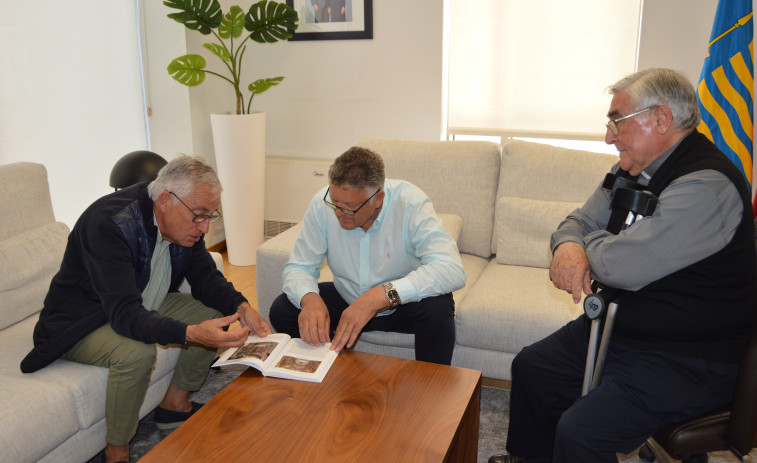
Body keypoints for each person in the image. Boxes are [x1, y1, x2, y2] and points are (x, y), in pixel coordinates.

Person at [489, 68, 757, 463]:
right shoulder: (629, 169)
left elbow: (621, 266)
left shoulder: (707, 186)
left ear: (661, 119)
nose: (608, 137)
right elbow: (577, 221)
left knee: (581, 432)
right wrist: (568, 244)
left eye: (617, 121)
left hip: (686, 356)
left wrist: (587, 246)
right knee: (533, 367)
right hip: (624, 330)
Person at [20, 155, 271, 463]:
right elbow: (124, 315)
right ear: (165, 200)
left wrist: (241, 305)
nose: (205, 226)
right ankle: (117, 452)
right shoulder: (109, 224)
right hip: (86, 319)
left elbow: (205, 276)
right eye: (199, 215)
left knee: (218, 316)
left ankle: (174, 406)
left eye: (210, 216)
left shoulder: (182, 221)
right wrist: (190, 333)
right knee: (137, 353)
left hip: (138, 299)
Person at [268, 146, 466, 365]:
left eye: (350, 206)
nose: (338, 212)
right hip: (348, 299)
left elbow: (451, 269)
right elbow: (299, 266)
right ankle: (331, 369)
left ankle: (432, 388)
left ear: (378, 198)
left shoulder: (410, 204)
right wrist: (310, 300)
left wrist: (379, 296)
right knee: (283, 308)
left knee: (438, 305)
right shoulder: (320, 204)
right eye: (334, 202)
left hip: (401, 305)